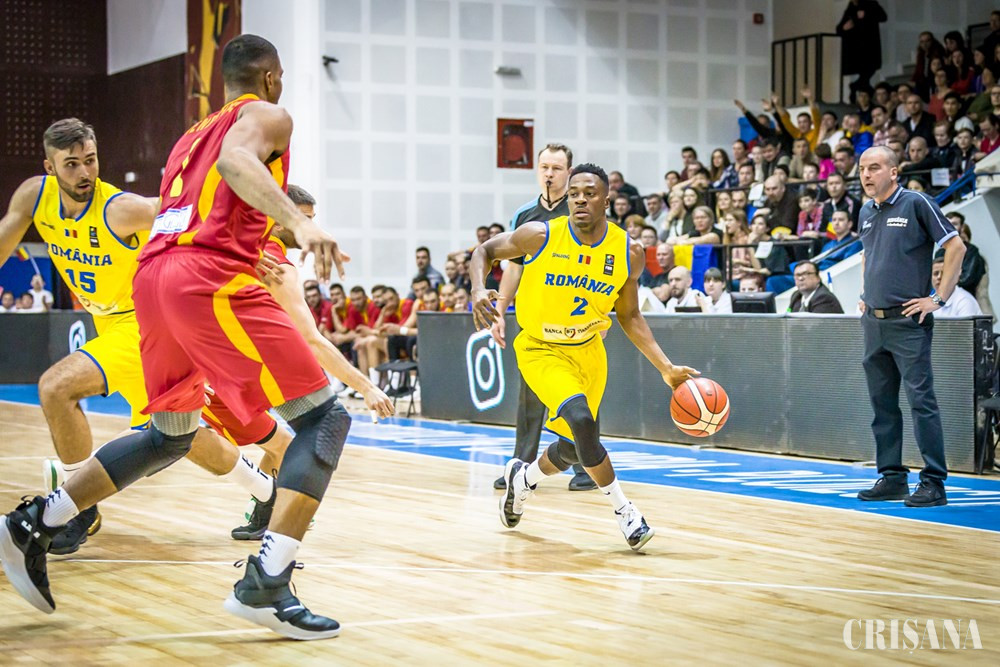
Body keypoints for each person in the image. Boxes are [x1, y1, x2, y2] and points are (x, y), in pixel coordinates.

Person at [0, 36, 391, 639]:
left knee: (171, 435)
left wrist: (250, 244)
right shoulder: (267, 116)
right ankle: (267, 582)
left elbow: (186, 211)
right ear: (270, 78)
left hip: (152, 282)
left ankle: (37, 522)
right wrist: (298, 221)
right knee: (324, 418)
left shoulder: (191, 135)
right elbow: (237, 165)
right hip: (203, 281)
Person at [0, 118, 294, 555]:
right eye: (72, 164)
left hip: (144, 323)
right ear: (50, 167)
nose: (84, 172)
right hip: (111, 323)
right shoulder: (33, 196)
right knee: (180, 436)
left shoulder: (119, 209)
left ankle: (77, 507)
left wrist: (247, 249)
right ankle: (265, 490)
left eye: (90, 160)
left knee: (56, 388)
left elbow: (188, 214)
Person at [469, 163, 697, 551]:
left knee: (575, 447)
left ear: (607, 201)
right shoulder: (540, 235)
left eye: (589, 194)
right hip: (540, 348)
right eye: (574, 193)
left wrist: (665, 367)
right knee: (581, 420)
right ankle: (626, 512)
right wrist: (478, 288)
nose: (579, 200)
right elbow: (485, 251)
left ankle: (522, 480)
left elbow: (630, 315)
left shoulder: (628, 251)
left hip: (588, 351)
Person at [855, 146, 966, 508]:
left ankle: (933, 482)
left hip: (908, 322)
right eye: (862, 169)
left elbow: (956, 247)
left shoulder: (916, 203)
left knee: (921, 402)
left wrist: (938, 298)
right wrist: (864, 293)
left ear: (894, 172)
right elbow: (868, 255)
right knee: (882, 404)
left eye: (874, 168)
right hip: (874, 322)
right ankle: (892, 478)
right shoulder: (866, 211)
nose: (866, 175)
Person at [490, 143, 594, 491]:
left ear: (569, 173)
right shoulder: (524, 215)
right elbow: (513, 268)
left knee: (576, 397)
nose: (549, 174)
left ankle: (586, 469)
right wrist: (499, 311)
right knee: (529, 397)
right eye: (544, 167)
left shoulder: (581, 210)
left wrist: (598, 313)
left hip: (575, 319)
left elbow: (596, 265)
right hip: (535, 318)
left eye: (556, 168)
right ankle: (520, 466)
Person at [836, 0, 887, 95]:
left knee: (869, 69)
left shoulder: (871, 3)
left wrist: (866, 14)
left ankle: (856, 87)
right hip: (856, 48)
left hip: (869, 46)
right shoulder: (850, 8)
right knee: (865, 75)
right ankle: (859, 88)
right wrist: (844, 28)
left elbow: (883, 17)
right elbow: (839, 28)